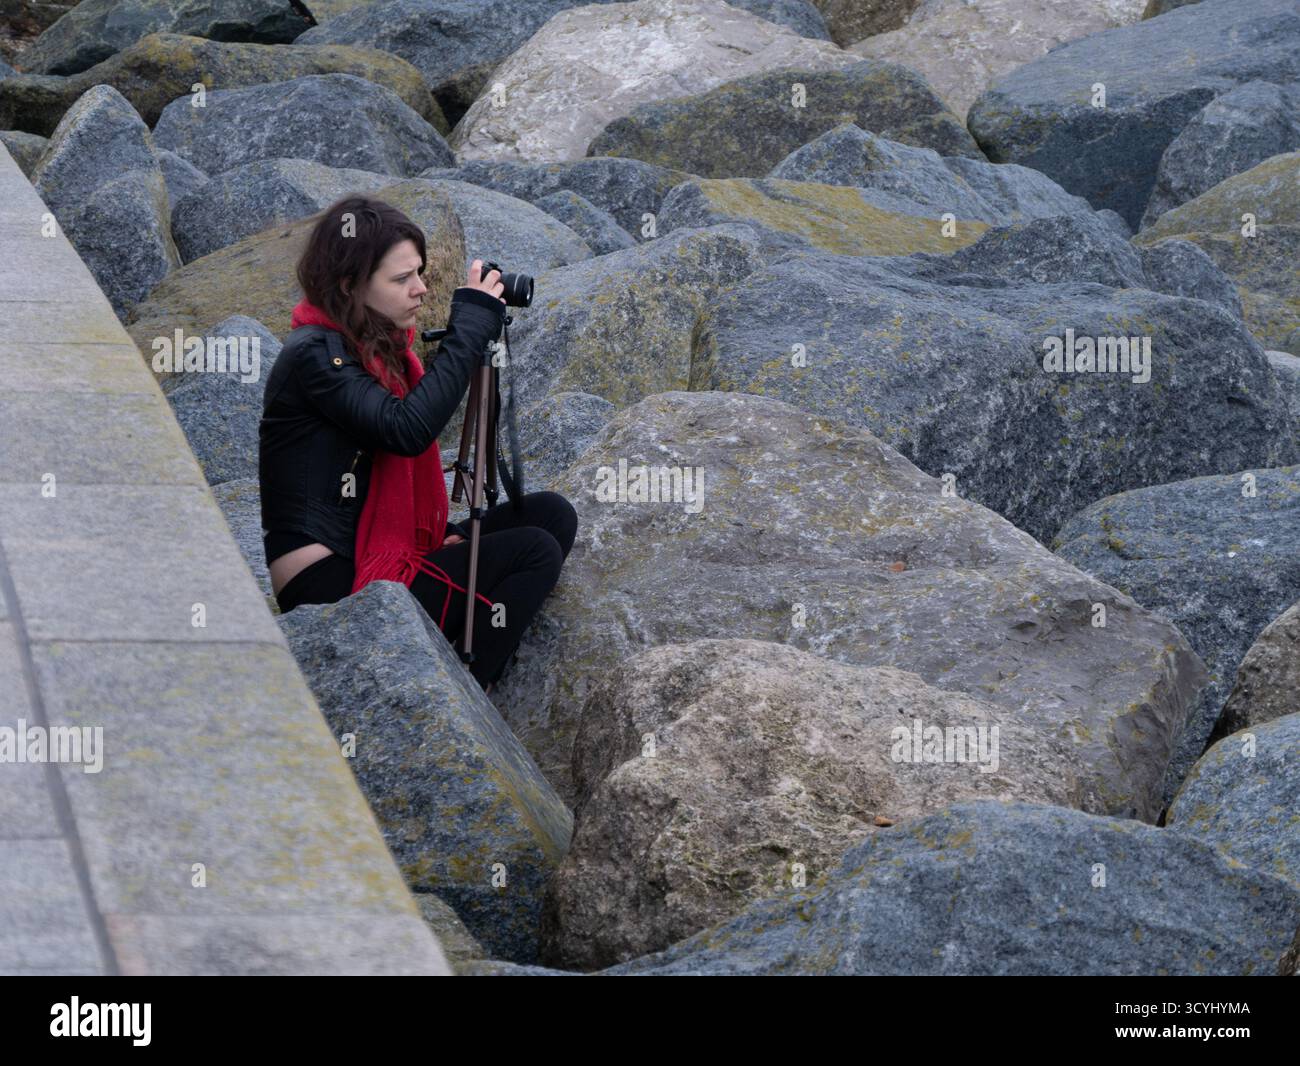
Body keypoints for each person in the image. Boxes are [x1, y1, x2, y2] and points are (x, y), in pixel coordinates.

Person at [258, 195, 577, 693]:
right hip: (328, 577)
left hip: (379, 543)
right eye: (402, 279)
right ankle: (464, 700)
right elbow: (406, 430)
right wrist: (469, 328)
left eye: (420, 273)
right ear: (350, 286)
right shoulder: (315, 356)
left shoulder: (381, 348)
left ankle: (454, 656)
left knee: (552, 515)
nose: (421, 289)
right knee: (533, 551)